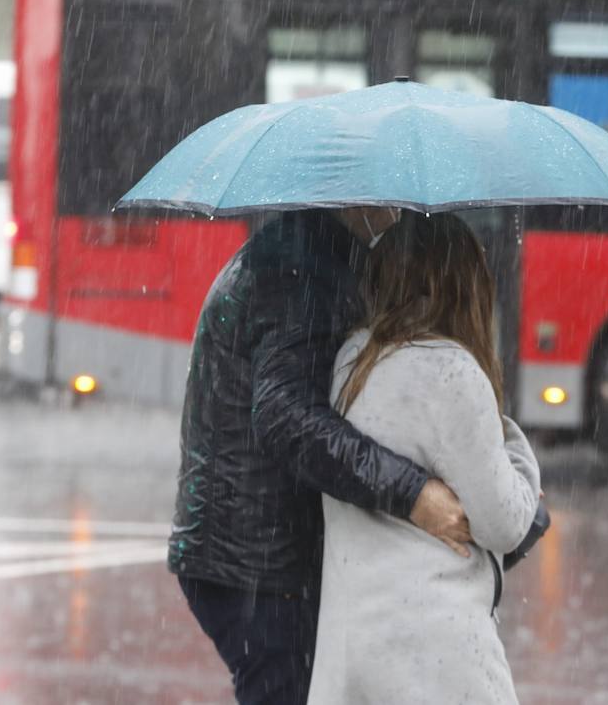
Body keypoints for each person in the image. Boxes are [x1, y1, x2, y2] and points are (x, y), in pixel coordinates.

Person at [169, 206, 472, 705]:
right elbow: (288, 418)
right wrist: (413, 493)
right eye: (388, 197)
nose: (398, 210)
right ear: (353, 196)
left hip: (251, 558)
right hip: (263, 568)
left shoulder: (312, 253)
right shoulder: (300, 271)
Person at [308, 213, 541, 705]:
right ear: (467, 286)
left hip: (353, 652)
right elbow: (504, 525)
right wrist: (517, 452)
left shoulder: (350, 360)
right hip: (438, 652)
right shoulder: (452, 371)